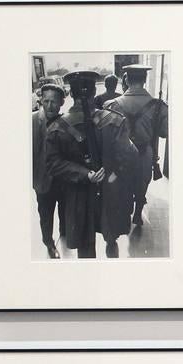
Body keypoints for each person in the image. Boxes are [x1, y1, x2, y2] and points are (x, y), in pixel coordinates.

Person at [44, 70, 138, 258]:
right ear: (94, 92)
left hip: (77, 194)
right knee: (111, 236)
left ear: (71, 94)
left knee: (85, 247)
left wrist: (83, 173)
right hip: (109, 191)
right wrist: (113, 173)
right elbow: (131, 155)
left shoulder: (56, 128)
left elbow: (53, 164)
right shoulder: (114, 120)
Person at [104, 63, 168, 228]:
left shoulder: (111, 104)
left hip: (121, 155)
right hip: (144, 153)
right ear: (145, 79)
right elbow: (164, 132)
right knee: (142, 184)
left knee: (123, 184)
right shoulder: (158, 105)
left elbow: (106, 135)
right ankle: (138, 213)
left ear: (126, 79)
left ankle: (124, 215)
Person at [31, 83, 65, 259]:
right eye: (46, 101)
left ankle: (64, 233)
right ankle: (49, 243)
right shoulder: (31, 121)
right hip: (43, 181)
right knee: (45, 215)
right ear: (41, 101)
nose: (50, 106)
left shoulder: (65, 122)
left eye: (54, 102)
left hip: (63, 180)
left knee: (64, 210)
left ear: (61, 103)